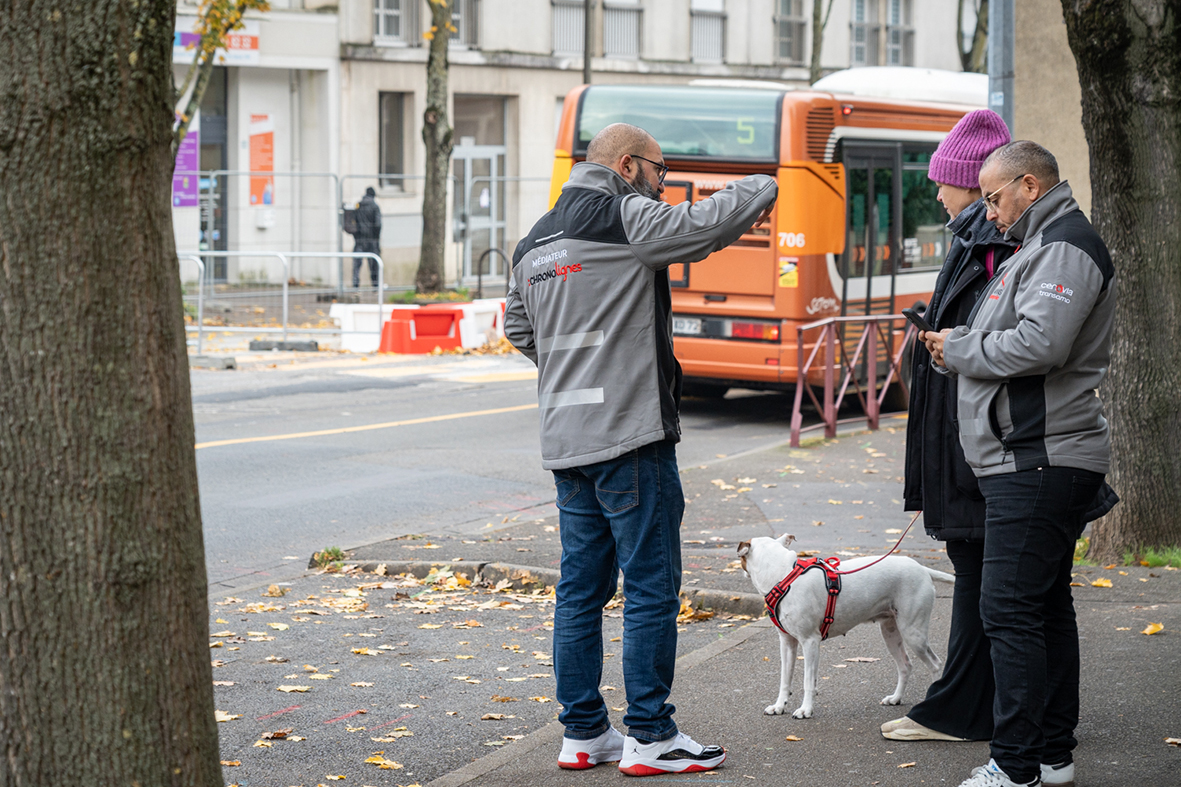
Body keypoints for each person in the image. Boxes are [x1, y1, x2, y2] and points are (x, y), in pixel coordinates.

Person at [503, 123, 776, 776]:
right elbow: (707, 225)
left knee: (579, 591)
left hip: (566, 444)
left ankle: (583, 733)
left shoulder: (533, 239)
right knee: (651, 587)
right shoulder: (624, 215)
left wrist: (570, 370)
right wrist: (766, 181)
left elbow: (517, 323)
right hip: (630, 439)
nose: (662, 185)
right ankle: (649, 733)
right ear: (626, 165)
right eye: (659, 172)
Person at [923, 141, 1116, 787]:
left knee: (1006, 610)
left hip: (1037, 459)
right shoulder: (1037, 244)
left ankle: (1014, 765)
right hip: (1033, 457)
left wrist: (960, 346)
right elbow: (1007, 337)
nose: (989, 211)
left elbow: (1039, 343)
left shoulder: (1061, 245)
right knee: (1040, 607)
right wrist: (950, 347)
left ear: (1028, 185)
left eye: (993, 196)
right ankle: (1050, 756)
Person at [885, 109, 1017, 743]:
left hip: (979, 440)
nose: (936, 194)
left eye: (945, 183)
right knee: (981, 570)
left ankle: (960, 710)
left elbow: (997, 342)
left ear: (974, 184)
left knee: (980, 571)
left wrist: (940, 340)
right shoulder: (976, 242)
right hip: (969, 436)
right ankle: (977, 703)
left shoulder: (989, 245)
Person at [351, 187, 382, 288]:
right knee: (373, 264)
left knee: (357, 264)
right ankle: (375, 286)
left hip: (359, 240)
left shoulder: (358, 206)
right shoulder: (375, 207)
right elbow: (378, 224)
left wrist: (357, 235)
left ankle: (355, 285)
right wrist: (376, 238)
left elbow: (353, 222)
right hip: (372, 240)